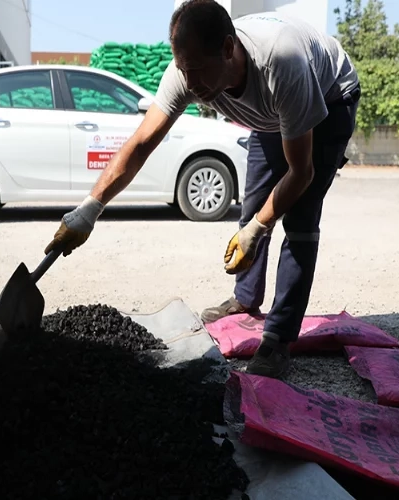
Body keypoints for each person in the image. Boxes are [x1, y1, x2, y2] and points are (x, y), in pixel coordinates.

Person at [44, 0, 361, 378]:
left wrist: (258, 230)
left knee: (299, 218)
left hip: (328, 95)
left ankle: (278, 339)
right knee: (254, 204)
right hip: (272, 110)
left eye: (197, 71)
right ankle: (245, 300)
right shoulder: (187, 71)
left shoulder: (283, 62)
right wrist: (88, 210)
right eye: (183, 70)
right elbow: (142, 143)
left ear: (228, 50)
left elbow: (301, 172)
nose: (191, 85)